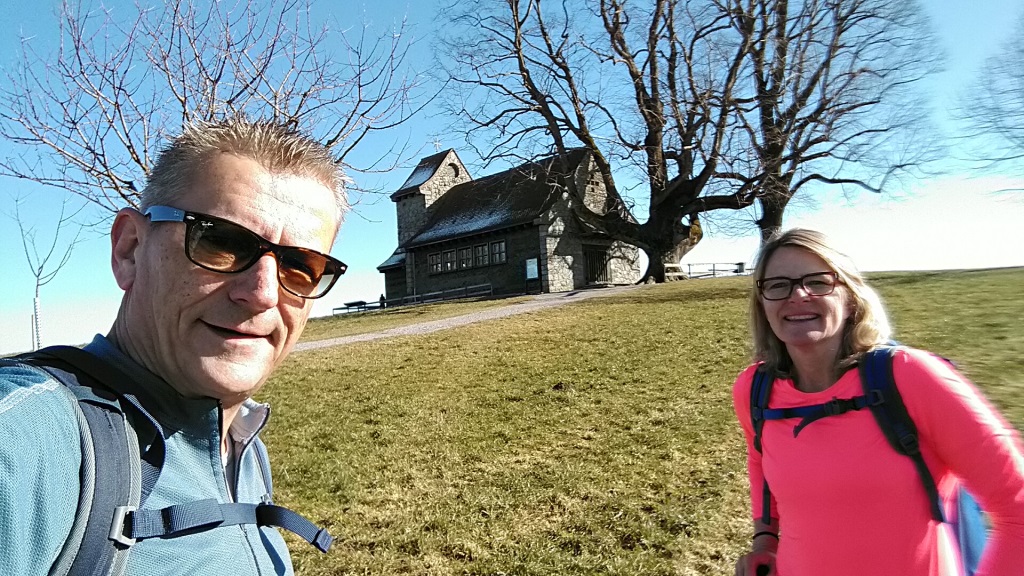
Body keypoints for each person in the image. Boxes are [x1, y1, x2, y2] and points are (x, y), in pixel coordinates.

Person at [0, 117, 348, 575]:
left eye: (301, 266)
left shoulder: (240, 439)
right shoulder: (26, 443)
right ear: (130, 250)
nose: (264, 293)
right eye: (220, 241)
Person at [731, 228, 1024, 576]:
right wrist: (765, 540)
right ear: (762, 304)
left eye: (819, 281)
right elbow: (761, 461)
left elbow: (1017, 507)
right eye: (777, 284)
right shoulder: (755, 389)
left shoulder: (911, 376)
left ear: (850, 297)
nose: (798, 295)